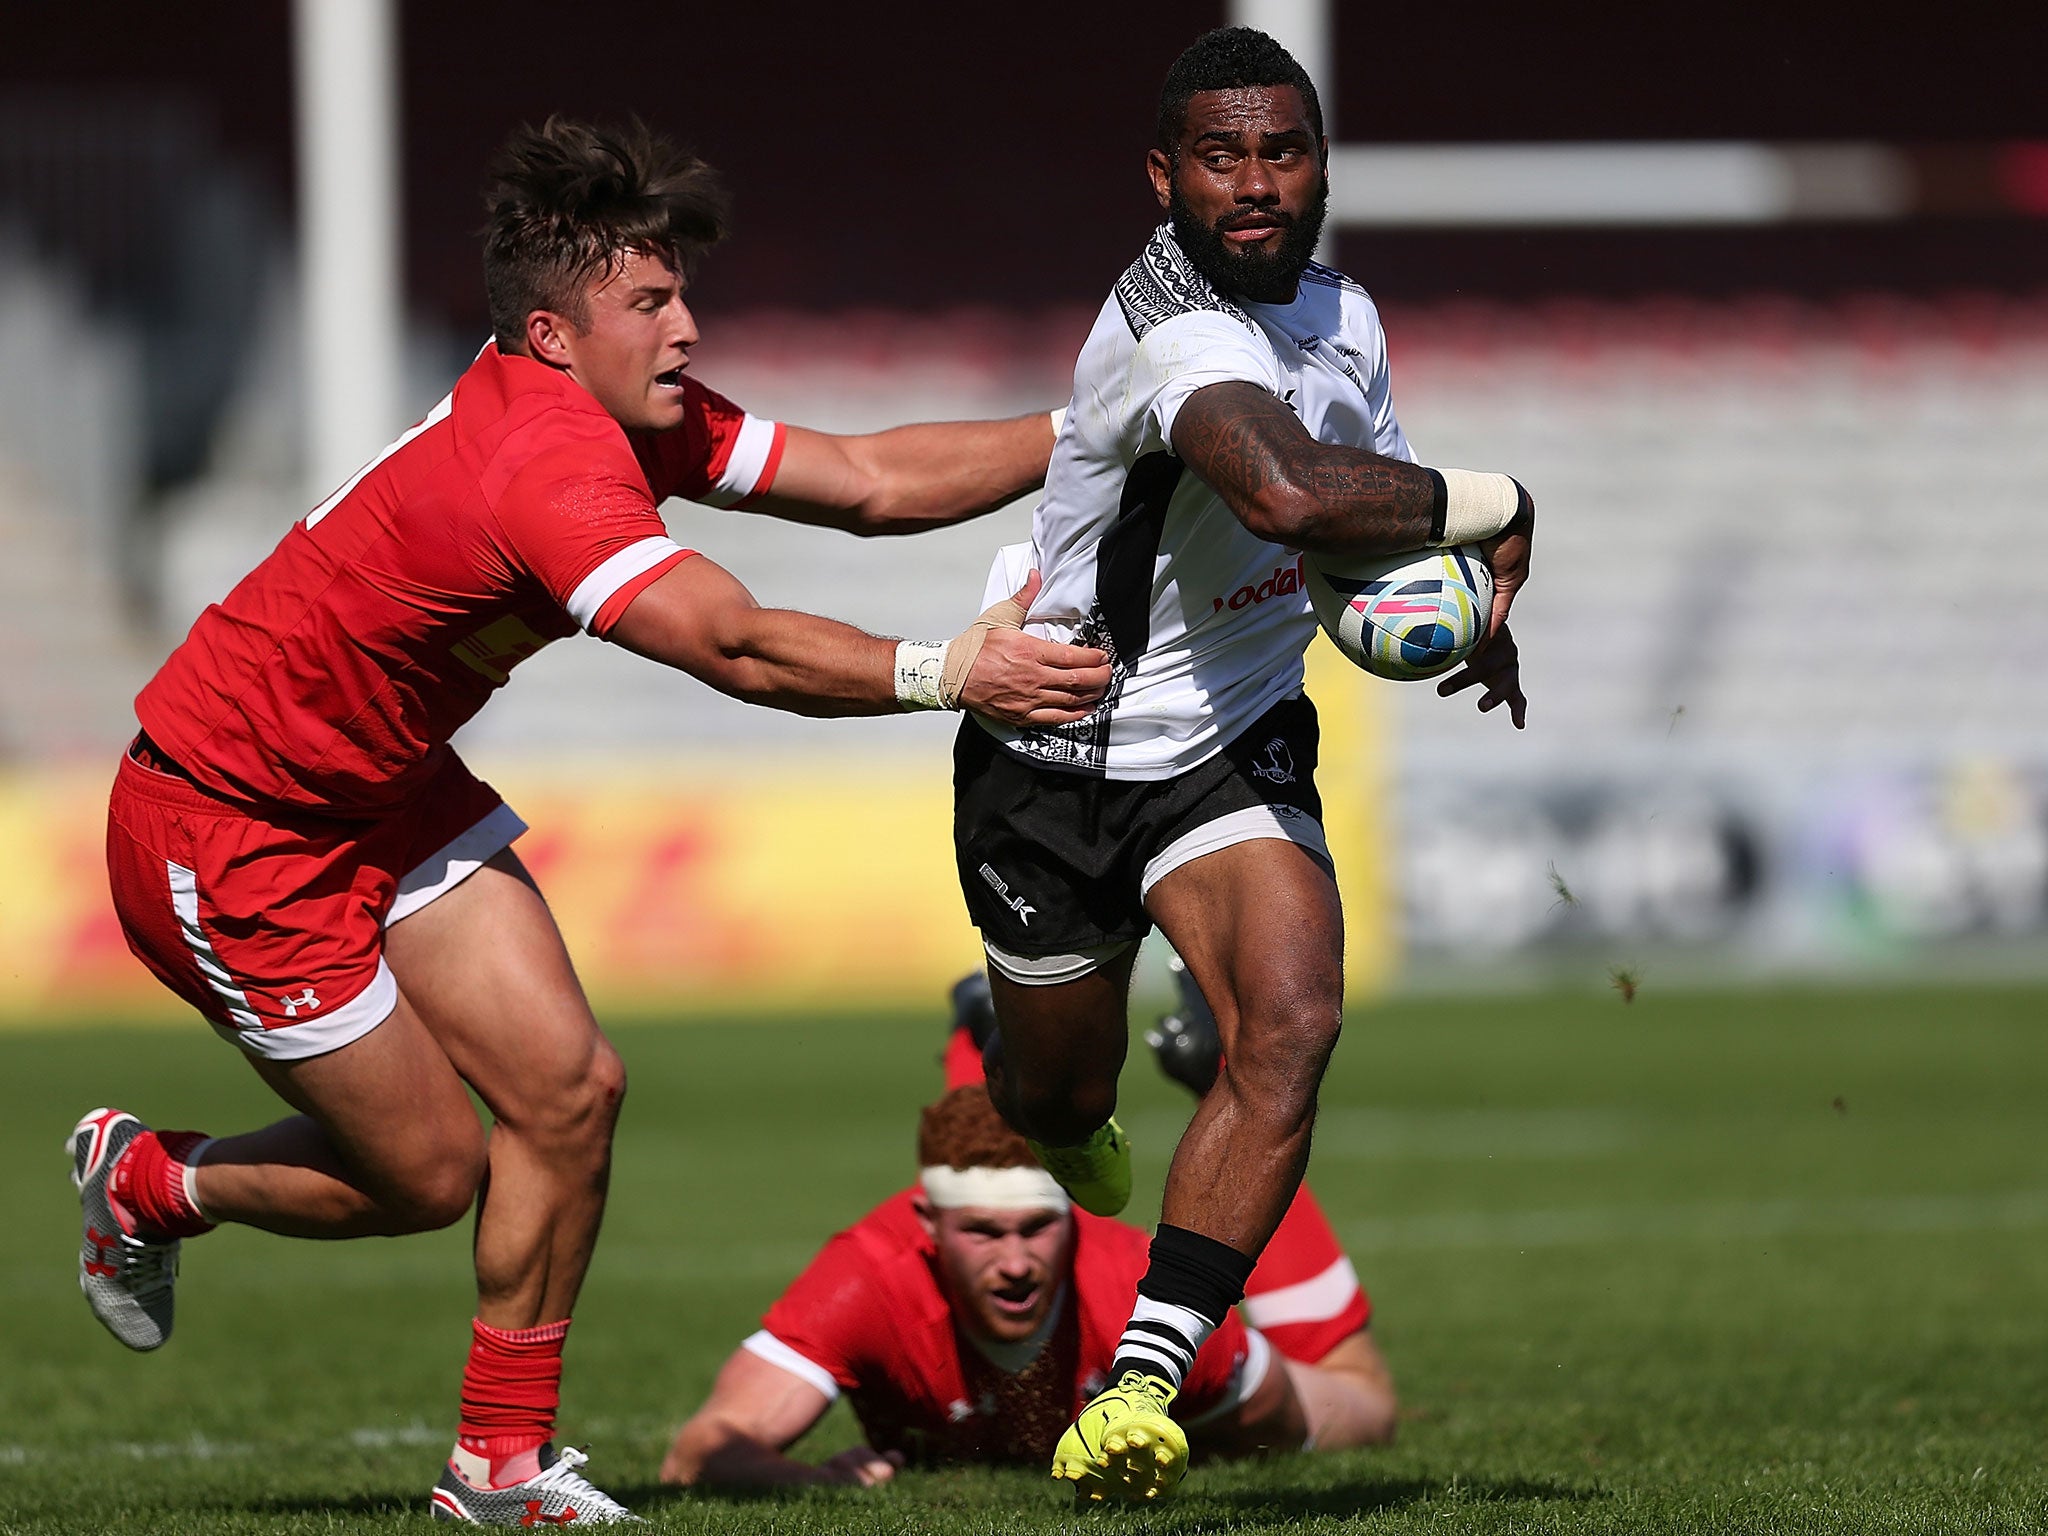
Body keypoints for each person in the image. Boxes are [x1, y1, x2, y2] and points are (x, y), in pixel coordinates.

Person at [72, 117, 1106, 1526]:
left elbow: (867, 482)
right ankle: (149, 1180)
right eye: (652, 304)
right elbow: (732, 646)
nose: (687, 326)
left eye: (682, 292)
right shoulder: (546, 468)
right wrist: (948, 670)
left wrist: (1100, 435)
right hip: (225, 821)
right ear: (555, 335)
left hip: (376, 788)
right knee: (432, 1171)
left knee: (570, 1092)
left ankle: (498, 1469)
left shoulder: (621, 410)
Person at [948, 28, 1536, 1503]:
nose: (1257, 183)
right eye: (1223, 156)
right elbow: (1282, 490)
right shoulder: (1172, 323)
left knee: (1290, 1020)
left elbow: (1353, 520)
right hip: (1061, 739)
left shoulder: (1347, 312)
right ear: (1165, 177)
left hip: (1233, 735)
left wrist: (1456, 593)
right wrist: (1504, 501)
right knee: (1065, 1104)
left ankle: (1142, 1382)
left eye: (1283, 152)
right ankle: (1038, 1070)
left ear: (1322, 164)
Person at [659, 1076, 1394, 1492]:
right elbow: (697, 1455)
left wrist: (1208, 1448)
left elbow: (1347, 1418)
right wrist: (822, 1485)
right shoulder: (867, 1281)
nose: (1015, 1264)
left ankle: (1216, 1071)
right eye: (981, 1232)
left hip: (1198, 1361)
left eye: (1036, 1229)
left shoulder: (1137, 1298)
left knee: (1363, 1396)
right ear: (926, 1223)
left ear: (1072, 1220)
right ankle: (985, 1036)